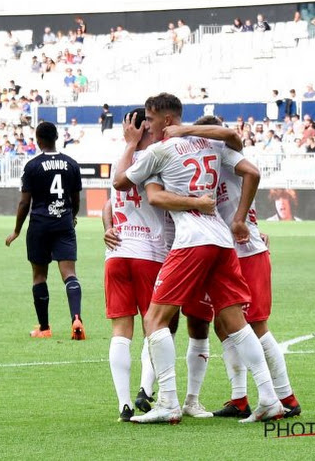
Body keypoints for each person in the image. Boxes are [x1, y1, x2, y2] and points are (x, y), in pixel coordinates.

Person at [113, 93, 284, 424]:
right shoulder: (210, 146)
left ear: (165, 120)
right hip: (221, 239)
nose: (146, 124)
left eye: (149, 118)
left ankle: (168, 403)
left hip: (191, 240)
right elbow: (238, 147)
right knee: (235, 321)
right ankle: (268, 397)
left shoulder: (158, 152)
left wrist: (130, 144)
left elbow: (121, 182)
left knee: (154, 319)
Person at [165, 116, 301, 420]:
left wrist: (242, 220)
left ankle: (286, 397)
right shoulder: (210, 164)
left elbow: (239, 150)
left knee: (254, 325)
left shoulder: (227, 152)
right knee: (224, 326)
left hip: (247, 251)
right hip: (223, 252)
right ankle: (239, 398)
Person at [102, 108, 215, 422]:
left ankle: (126, 403)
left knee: (120, 331)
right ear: (147, 128)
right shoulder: (160, 158)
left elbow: (110, 201)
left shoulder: (120, 161)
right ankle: (155, 392)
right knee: (158, 325)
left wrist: (107, 227)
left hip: (117, 254)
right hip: (150, 254)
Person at [5, 122, 85, 340]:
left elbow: (24, 204)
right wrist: (71, 216)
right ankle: (76, 318)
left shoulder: (32, 166)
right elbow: (76, 199)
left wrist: (17, 230)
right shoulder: (72, 164)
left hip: (39, 225)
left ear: (38, 140)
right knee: (69, 274)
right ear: (57, 137)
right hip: (64, 224)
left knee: (39, 276)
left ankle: (44, 328)